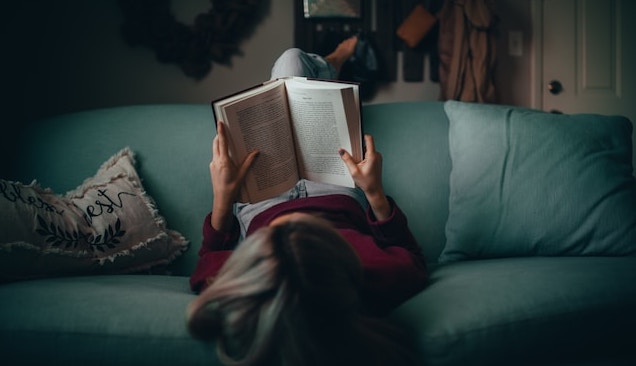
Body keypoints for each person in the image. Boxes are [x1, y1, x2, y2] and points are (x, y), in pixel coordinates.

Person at [185, 41, 428, 366]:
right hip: (333, 191)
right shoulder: (372, 277)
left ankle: (331, 64)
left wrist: (223, 197)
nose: (295, 222)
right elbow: (411, 255)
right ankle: (336, 62)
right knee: (292, 66)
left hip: (261, 201)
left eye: (277, 238)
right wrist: (374, 192)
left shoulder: (241, 291)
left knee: (287, 71)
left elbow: (209, 258)